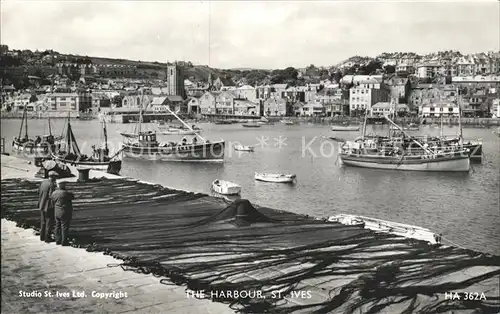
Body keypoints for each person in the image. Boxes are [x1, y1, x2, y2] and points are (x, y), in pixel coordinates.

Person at [51, 181, 74, 246]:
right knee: (64, 227)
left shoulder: (54, 193)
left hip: (56, 211)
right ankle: (64, 241)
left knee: (57, 225)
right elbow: (72, 197)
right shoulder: (66, 193)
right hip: (64, 212)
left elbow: (52, 201)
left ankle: (58, 240)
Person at [38, 171, 57, 242]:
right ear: (52, 177)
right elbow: (51, 196)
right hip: (48, 206)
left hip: (41, 204)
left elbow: (39, 191)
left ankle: (42, 236)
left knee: (43, 221)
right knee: (49, 221)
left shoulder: (43, 182)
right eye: (55, 177)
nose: (56, 178)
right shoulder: (51, 184)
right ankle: (47, 237)